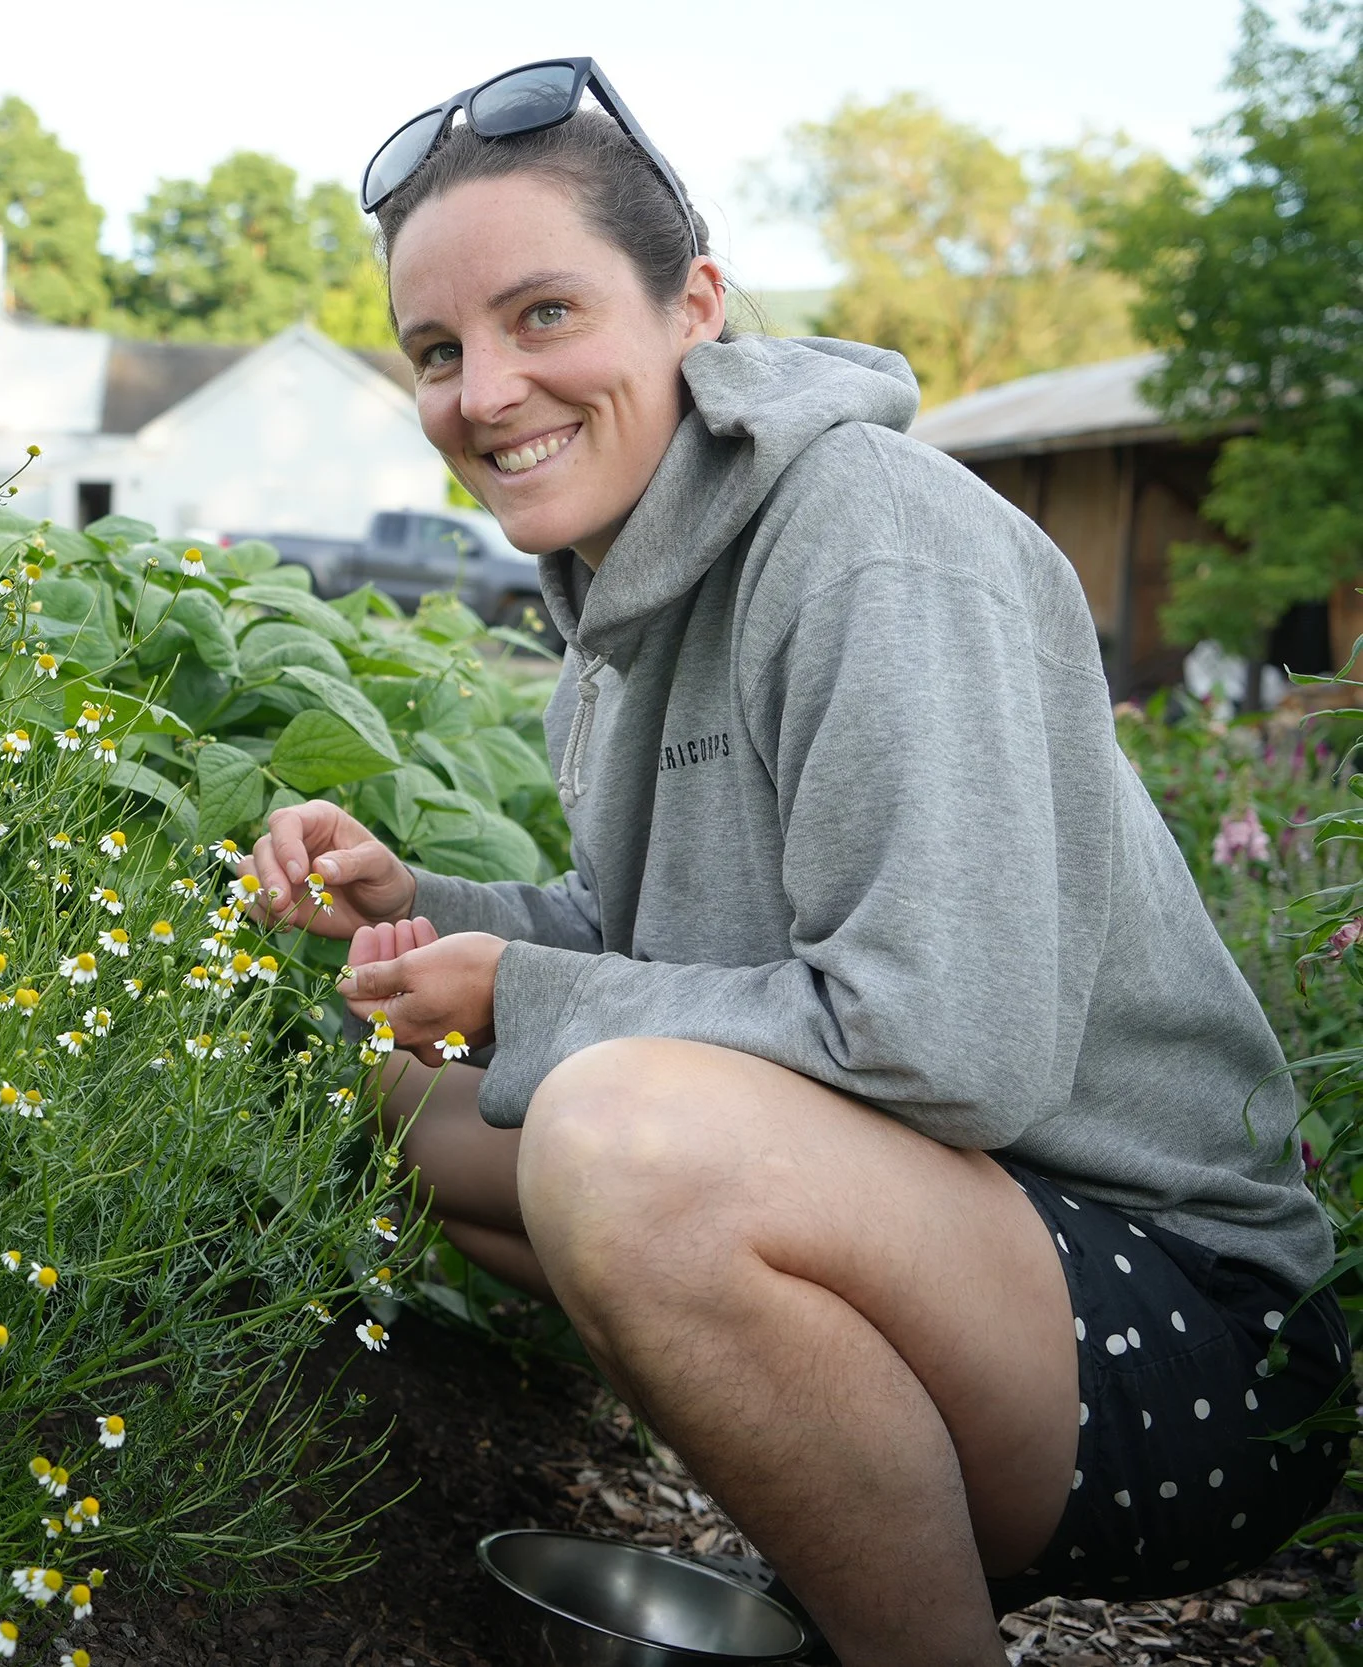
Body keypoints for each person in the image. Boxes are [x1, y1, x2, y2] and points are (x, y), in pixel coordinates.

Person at [248, 58, 1346, 1667]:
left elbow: (941, 1045)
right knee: (404, 1092)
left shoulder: (871, 542)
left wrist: (537, 998)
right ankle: (853, 1513)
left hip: (1184, 1326)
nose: (483, 392)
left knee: (613, 1135)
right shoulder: (618, 623)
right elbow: (655, 940)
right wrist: (431, 916)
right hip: (961, 1248)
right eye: (438, 349)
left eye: (542, 314)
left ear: (693, 305)